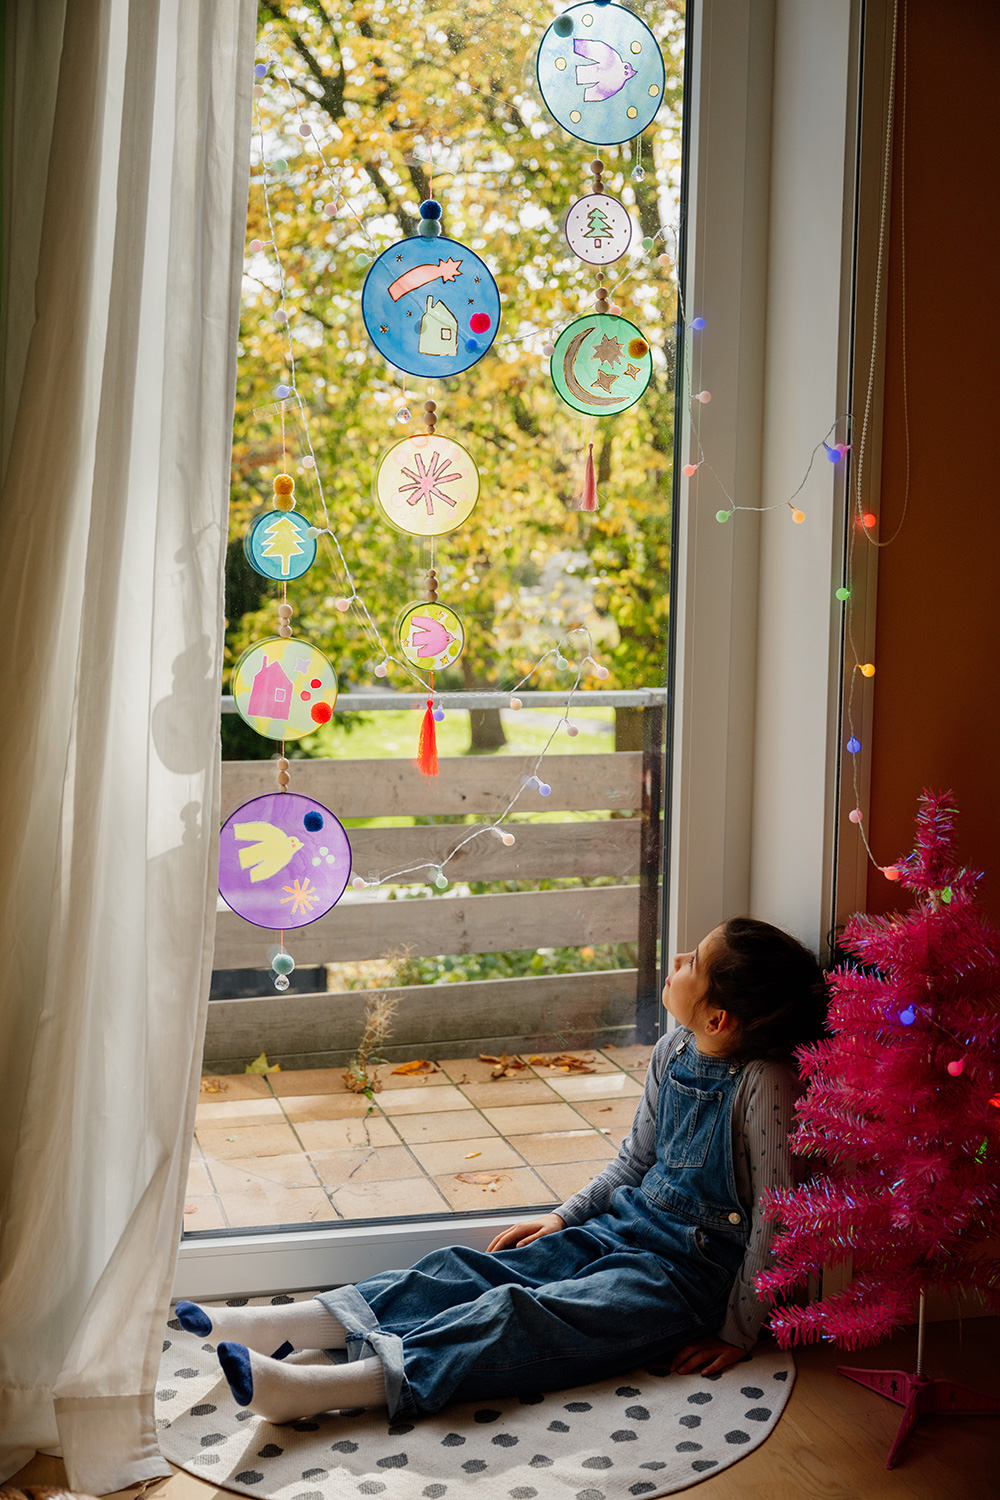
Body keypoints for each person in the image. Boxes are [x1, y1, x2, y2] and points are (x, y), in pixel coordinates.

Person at [175, 917, 827, 1425]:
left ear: (719, 1016)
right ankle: (298, 1325)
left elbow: (777, 1213)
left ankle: (326, 1388)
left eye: (695, 960)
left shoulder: (763, 1085)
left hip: (685, 1279)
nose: (680, 958)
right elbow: (634, 1162)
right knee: (469, 1270)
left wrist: (742, 1329)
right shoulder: (672, 1050)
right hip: (620, 1231)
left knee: (522, 1316)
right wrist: (564, 1217)